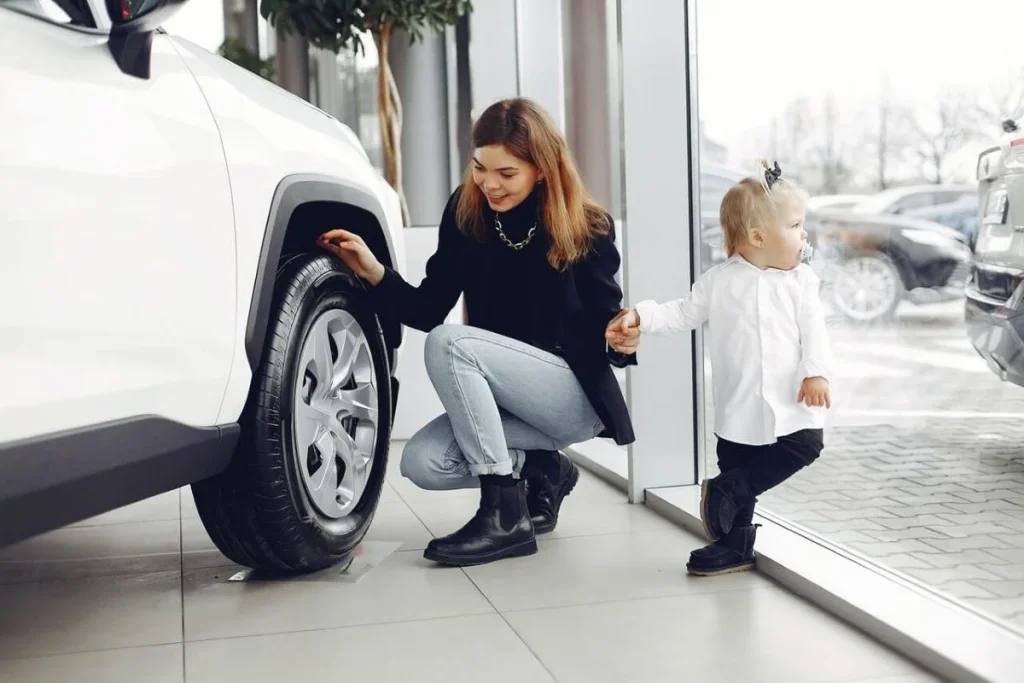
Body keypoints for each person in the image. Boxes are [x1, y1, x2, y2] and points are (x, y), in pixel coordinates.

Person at [317, 97, 638, 567]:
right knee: (422, 462)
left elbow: (607, 321)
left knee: (451, 343)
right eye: (480, 168)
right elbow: (428, 308)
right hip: (507, 400)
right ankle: (543, 469)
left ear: (542, 169)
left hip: (570, 397)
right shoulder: (467, 214)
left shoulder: (586, 226)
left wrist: (620, 339)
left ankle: (504, 516)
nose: (489, 183)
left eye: (506, 173)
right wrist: (374, 272)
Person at [606, 160, 832, 576]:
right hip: (738, 402)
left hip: (790, 399)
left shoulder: (801, 282)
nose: (804, 235)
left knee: (805, 445)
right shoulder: (720, 281)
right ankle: (735, 544)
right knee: (736, 461)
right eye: (796, 225)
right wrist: (641, 315)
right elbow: (682, 313)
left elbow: (814, 330)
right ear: (759, 236)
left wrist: (815, 372)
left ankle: (730, 489)